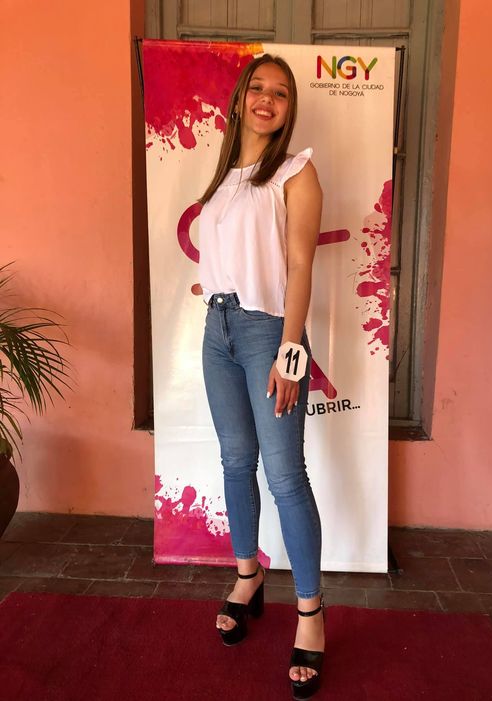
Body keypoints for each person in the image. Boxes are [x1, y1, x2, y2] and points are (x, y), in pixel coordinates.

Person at [198, 53, 324, 700]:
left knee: (285, 475)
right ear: (240, 97)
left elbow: (300, 267)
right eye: (257, 87)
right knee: (234, 459)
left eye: (280, 92)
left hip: (267, 333)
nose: (266, 99)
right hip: (216, 330)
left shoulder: (296, 172)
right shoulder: (224, 177)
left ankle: (311, 613)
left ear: (288, 107)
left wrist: (289, 351)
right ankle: (247, 575)